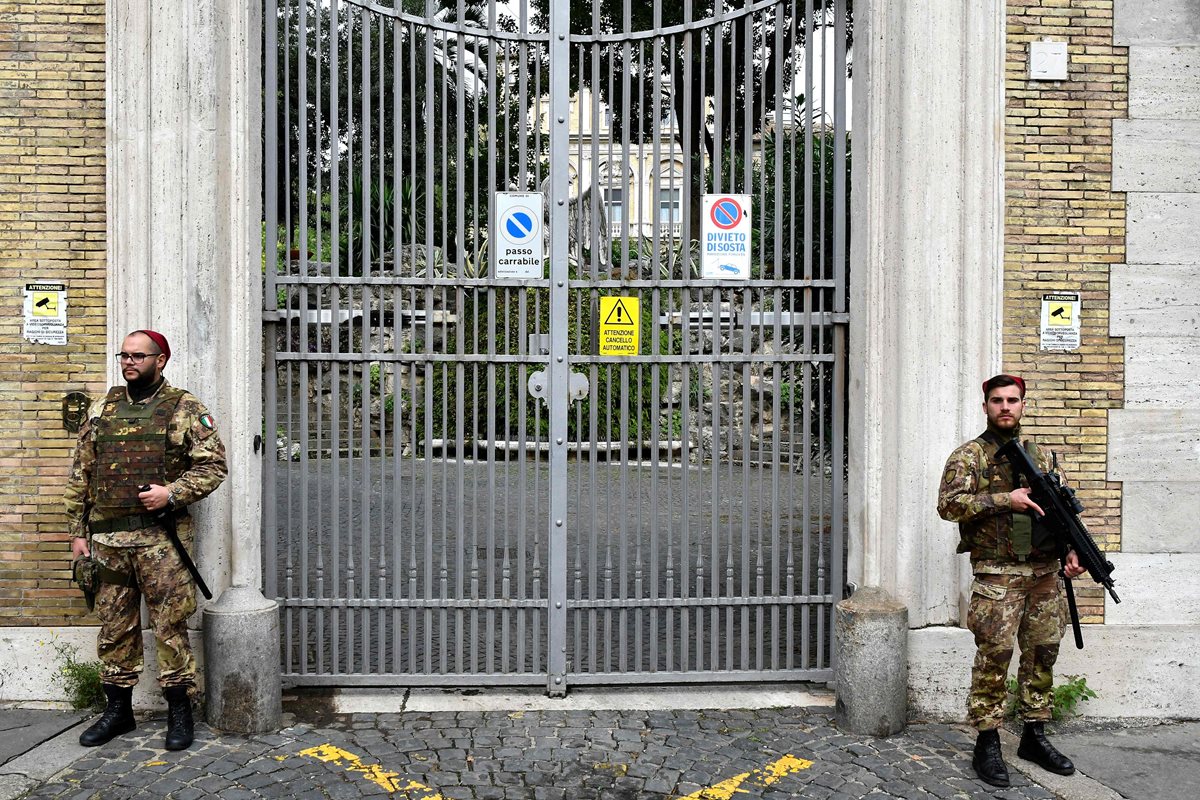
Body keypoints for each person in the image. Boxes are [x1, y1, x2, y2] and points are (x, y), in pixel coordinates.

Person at [64, 330, 227, 751]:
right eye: (124, 355)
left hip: (161, 542)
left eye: (139, 355)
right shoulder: (102, 408)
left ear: (161, 360)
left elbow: (213, 467)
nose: (129, 362)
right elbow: (81, 472)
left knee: (169, 625)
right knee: (115, 627)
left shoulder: (185, 408)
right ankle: (118, 712)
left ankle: (179, 712)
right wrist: (77, 534)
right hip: (108, 540)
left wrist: (170, 493)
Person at [937, 374, 1085, 788]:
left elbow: (1064, 513)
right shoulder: (970, 457)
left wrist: (1073, 553)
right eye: (997, 400)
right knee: (994, 658)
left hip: (1044, 574)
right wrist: (1006, 499)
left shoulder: (1042, 457)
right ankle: (987, 741)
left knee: (1042, 655)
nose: (1005, 407)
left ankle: (1034, 736)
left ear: (1023, 405)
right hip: (997, 575)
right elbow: (948, 506)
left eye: (1013, 400)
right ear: (985, 406)